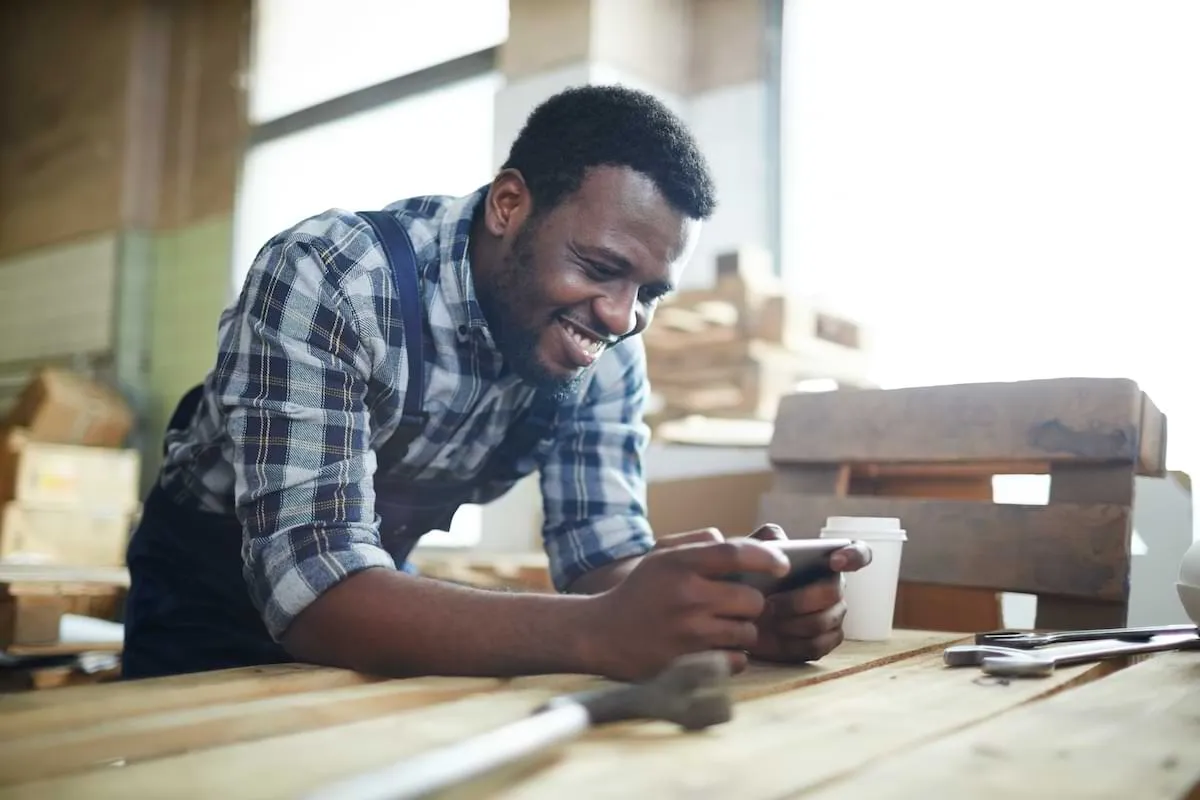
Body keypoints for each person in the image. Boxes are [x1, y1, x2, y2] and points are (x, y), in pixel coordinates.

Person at [122, 85, 870, 682]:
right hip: (210, 589)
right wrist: (599, 631)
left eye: (648, 292)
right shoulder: (333, 276)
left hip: (369, 586)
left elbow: (602, 559)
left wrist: (728, 608)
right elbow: (314, 592)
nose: (620, 317)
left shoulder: (606, 349)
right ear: (509, 205)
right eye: (600, 268)